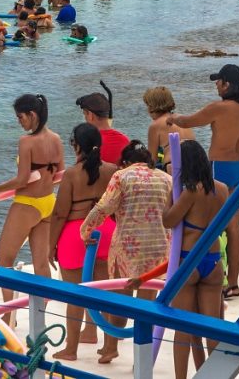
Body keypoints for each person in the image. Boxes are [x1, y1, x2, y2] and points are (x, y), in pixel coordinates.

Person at [167, 64, 239, 299]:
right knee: (234, 227)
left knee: (208, 223)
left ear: (227, 84)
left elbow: (187, 122)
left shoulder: (219, 108)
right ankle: (234, 283)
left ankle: (208, 275)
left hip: (218, 167)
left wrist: (172, 118)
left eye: (218, 82)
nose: (216, 86)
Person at [82, 141, 172, 363]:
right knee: (147, 305)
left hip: (128, 245)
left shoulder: (121, 176)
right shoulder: (166, 178)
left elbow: (105, 206)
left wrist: (86, 230)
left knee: (121, 300)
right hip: (159, 246)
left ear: (126, 161)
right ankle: (142, 359)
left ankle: (111, 347)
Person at [0, 94, 64, 325]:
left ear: (32, 114)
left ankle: (9, 315)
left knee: (4, 259)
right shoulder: (57, 139)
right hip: (48, 202)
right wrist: (41, 178)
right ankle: (41, 314)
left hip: (27, 204)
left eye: (20, 117)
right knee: (41, 263)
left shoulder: (26, 142)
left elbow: (21, 181)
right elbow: (60, 175)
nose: (19, 121)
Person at [49, 123, 118, 361]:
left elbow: (59, 213)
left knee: (75, 296)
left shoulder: (70, 174)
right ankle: (111, 346)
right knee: (108, 294)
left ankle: (71, 349)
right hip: (107, 231)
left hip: (75, 234)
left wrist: (51, 246)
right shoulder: (111, 170)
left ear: (76, 146)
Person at [163, 140, 230, 378]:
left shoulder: (189, 191)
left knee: (183, 329)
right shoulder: (221, 189)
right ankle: (216, 375)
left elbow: (168, 220)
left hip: (187, 259)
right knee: (211, 329)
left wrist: (171, 193)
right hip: (213, 260)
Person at [142, 86, 195, 169]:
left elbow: (152, 161)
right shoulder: (181, 119)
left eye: (148, 105)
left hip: (173, 166)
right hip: (196, 163)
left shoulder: (155, 126)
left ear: (152, 107)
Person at [76, 92, 130, 165]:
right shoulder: (125, 141)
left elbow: (80, 170)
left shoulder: (87, 143)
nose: (85, 118)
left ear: (91, 115)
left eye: (85, 114)